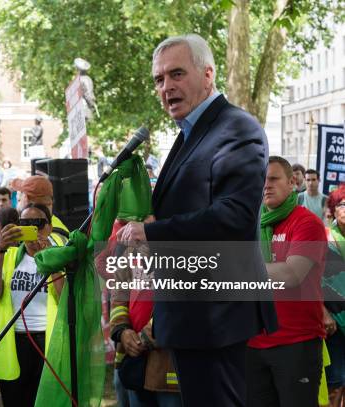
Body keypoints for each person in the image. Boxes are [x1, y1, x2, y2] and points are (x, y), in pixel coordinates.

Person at [115, 34, 276, 406]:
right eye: (159, 79)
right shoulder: (189, 135)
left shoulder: (237, 128)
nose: (166, 87)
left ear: (208, 75)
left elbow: (234, 217)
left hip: (215, 315)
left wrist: (152, 231)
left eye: (176, 74)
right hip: (190, 314)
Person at [247, 156, 326, 407]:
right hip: (252, 342)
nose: (266, 186)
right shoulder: (251, 225)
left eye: (273, 179)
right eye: (261, 180)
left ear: (292, 182)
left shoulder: (307, 222)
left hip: (296, 343)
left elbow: (292, 275)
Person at [0, 203, 64, 407]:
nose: (32, 228)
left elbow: (66, 296)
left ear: (48, 227)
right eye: (25, 223)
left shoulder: (61, 256)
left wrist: (49, 257)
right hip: (14, 341)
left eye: (37, 223)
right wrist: (0, 250)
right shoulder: (8, 256)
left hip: (48, 342)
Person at [321, 186, 345, 406]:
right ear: (334, 209)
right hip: (334, 322)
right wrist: (324, 312)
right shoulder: (324, 238)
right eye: (343, 204)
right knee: (334, 382)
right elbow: (310, 280)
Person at [12, 175, 69, 244]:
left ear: (26, 198)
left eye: (20, 193)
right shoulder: (55, 225)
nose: (17, 197)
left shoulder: (45, 239)